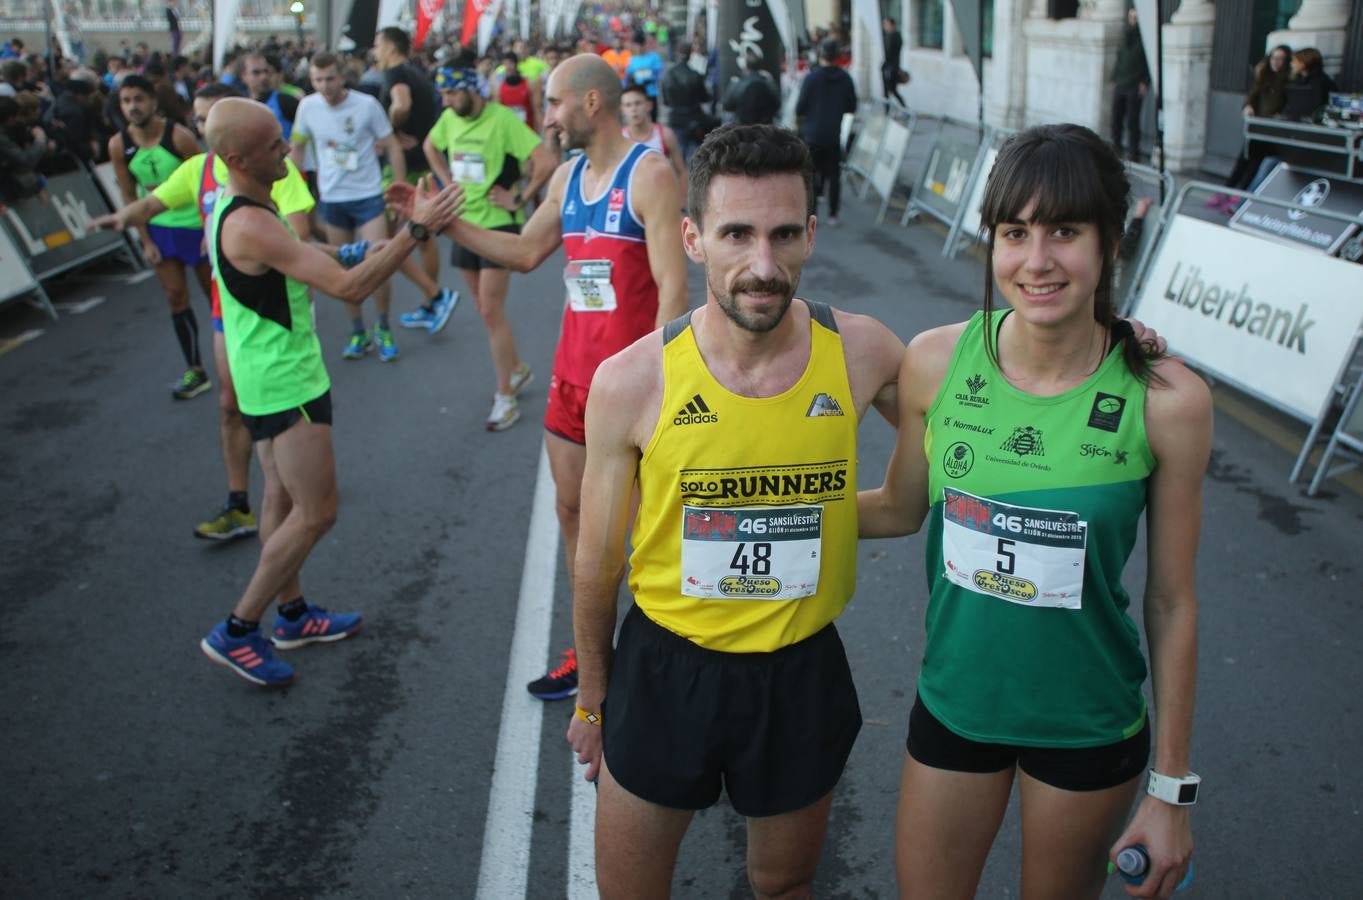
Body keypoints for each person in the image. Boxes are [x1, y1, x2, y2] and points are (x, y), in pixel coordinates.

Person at [857, 123, 1206, 900]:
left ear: (1110, 241)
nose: (1036, 260)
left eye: (1064, 231)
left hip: (1087, 725)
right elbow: (894, 508)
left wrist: (1170, 788)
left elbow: (1172, 600)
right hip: (955, 707)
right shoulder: (937, 361)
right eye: (1014, 232)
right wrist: (742, 510)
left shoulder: (1168, 401)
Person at [564, 123, 906, 897]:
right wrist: (592, 698)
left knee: (783, 888)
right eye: (736, 234)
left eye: (784, 234)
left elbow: (978, 394)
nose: (763, 265)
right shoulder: (632, 381)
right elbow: (597, 559)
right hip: (664, 669)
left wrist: (1112, 339)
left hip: (797, 674)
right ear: (691, 237)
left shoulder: (863, 351)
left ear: (812, 234)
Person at [388, 54, 688, 697]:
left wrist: (660, 379)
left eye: (552, 103)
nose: (544, 116)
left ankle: (660, 651)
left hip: (631, 385)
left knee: (645, 526)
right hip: (571, 377)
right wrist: (444, 223)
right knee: (573, 509)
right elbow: (524, 251)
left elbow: (672, 290)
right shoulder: (569, 179)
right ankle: (592, 650)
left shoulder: (650, 175)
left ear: (589, 104)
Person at [196, 97, 460, 687]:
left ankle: (291, 615)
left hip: (270, 377)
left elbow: (298, 256)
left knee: (282, 504)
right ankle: (238, 628)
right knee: (318, 512)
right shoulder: (250, 221)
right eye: (273, 145)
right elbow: (350, 290)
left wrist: (346, 247)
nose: (287, 149)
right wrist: (414, 232)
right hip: (286, 383)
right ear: (237, 157)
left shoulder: (238, 205)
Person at [90, 83, 316, 543]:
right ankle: (240, 504)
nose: (204, 128)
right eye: (199, 120)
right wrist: (124, 218)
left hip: (270, 304)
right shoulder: (198, 169)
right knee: (231, 404)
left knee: (287, 408)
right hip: (225, 303)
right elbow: (152, 203)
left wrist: (251, 241)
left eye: (213, 119)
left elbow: (300, 238)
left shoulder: (277, 168)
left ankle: (303, 488)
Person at [419, 63, 556, 430]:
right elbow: (430, 146)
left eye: (452, 93)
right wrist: (447, 184)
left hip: (498, 223)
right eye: (443, 96)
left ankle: (505, 397)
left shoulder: (502, 120)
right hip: (463, 224)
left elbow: (545, 160)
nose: (446, 101)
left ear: (471, 89)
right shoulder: (449, 118)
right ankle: (518, 369)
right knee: (484, 310)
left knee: (490, 308)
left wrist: (520, 198)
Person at [291, 52, 407, 362]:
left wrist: (400, 190)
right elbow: (297, 150)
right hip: (332, 198)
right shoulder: (307, 107)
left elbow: (393, 146)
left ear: (342, 77)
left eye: (330, 79)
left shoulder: (366, 105)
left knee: (378, 263)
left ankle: (383, 326)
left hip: (368, 195)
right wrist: (295, 196)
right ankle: (358, 331)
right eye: (318, 80)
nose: (325, 86)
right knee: (343, 268)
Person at [109, 74, 213, 400]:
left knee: (217, 301)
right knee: (175, 299)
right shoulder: (118, 145)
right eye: (126, 101)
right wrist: (146, 240)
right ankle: (195, 370)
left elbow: (206, 182)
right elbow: (129, 195)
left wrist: (210, 228)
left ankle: (239, 363)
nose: (133, 107)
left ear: (153, 101)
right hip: (159, 230)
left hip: (196, 228)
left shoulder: (178, 137)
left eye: (138, 99)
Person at [373, 25, 456, 334]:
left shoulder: (395, 73)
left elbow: (402, 104)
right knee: (423, 235)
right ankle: (431, 300)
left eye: (378, 44)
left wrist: (390, 131)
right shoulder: (415, 71)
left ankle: (435, 296)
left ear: (391, 47)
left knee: (381, 242)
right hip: (420, 162)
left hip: (402, 166)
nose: (374, 50)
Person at [797, 38, 857, 227]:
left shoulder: (812, 78)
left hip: (812, 134)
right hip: (833, 133)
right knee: (834, 176)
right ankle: (833, 214)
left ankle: (811, 215)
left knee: (811, 176)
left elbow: (800, 107)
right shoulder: (845, 78)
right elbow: (851, 106)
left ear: (821, 55)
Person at [621, 83, 684, 185]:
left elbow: (681, 171)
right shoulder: (619, 138)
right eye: (628, 105)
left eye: (638, 103)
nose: (633, 109)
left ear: (649, 105)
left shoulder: (665, 135)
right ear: (622, 109)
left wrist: (682, 199)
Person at [659, 42, 711, 163]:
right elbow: (704, 97)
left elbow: (666, 100)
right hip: (694, 117)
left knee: (678, 153)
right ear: (690, 55)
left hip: (676, 118)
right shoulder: (696, 75)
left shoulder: (669, 75)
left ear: (677, 54)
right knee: (695, 153)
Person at [1109, 8, 1149, 162]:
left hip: (1135, 85)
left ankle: (1133, 152)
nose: (1133, 21)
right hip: (1121, 83)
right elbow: (1119, 60)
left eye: (1136, 18)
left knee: (1133, 119)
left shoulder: (1143, 39)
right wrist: (1114, 78)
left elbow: (1148, 64)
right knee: (1116, 117)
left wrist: (1145, 82)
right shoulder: (1125, 37)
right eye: (1131, 17)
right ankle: (1116, 147)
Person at [242, 52, 299, 140]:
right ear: (243, 76)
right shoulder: (240, 107)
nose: (264, 77)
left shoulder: (286, 102)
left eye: (266, 71)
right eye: (256, 72)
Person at [722, 49, 780, 127]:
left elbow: (726, 105)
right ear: (760, 66)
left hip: (741, 128)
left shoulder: (737, 84)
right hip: (764, 128)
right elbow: (777, 104)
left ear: (746, 65)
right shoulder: (769, 83)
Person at [496, 51, 540, 131]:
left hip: (527, 130)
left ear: (516, 64)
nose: (508, 67)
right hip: (508, 130)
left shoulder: (528, 83)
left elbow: (536, 107)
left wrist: (538, 129)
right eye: (505, 64)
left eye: (510, 63)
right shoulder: (500, 86)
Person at [882, 17, 906, 107]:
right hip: (887, 66)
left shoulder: (895, 36)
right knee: (886, 91)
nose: (885, 27)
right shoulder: (887, 36)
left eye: (886, 24)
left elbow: (891, 52)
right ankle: (887, 110)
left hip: (892, 67)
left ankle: (903, 107)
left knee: (892, 89)